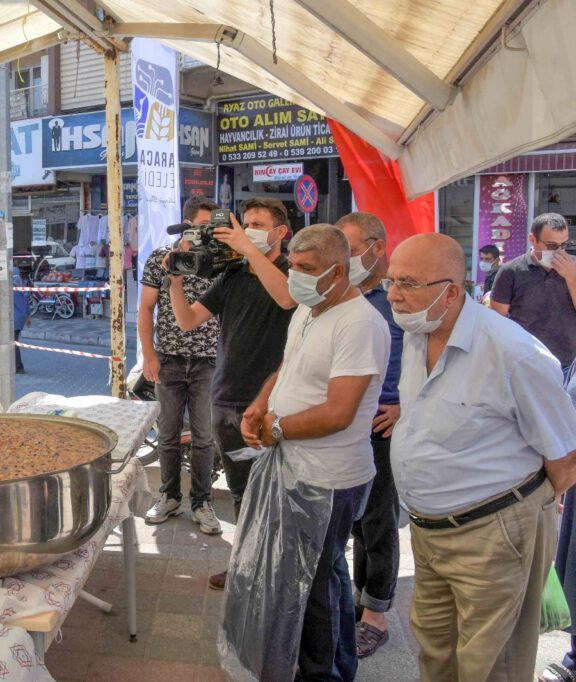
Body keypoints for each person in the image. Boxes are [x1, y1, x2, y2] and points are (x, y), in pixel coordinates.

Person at [388, 233, 576, 682]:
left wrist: (516, 515)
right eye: (391, 280)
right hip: (428, 533)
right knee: (436, 656)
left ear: (451, 292)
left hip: (493, 535)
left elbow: (565, 461)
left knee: (491, 668)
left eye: (408, 282)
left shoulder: (514, 353)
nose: (393, 294)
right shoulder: (418, 333)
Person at [235, 224, 389, 681]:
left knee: (316, 584)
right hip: (295, 467)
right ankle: (326, 664)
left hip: (330, 478)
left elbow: (340, 412)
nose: (295, 276)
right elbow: (290, 364)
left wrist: (277, 427)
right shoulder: (309, 307)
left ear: (338, 272)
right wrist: (261, 403)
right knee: (315, 574)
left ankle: (323, 672)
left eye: (305, 268)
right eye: (292, 266)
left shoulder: (360, 324)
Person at [166, 197, 296, 590]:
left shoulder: (291, 272)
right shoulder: (234, 275)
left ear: (280, 232)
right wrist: (175, 281)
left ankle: (278, 575)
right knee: (241, 494)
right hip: (225, 401)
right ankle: (246, 567)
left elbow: (286, 298)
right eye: (246, 223)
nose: (247, 230)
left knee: (275, 496)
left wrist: (245, 249)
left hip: (269, 406)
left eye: (257, 224)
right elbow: (188, 321)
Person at [336, 212, 404, 658]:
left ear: (377, 247)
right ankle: (360, 601)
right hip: (347, 422)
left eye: (352, 249)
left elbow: (430, 354)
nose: (345, 259)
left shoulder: (399, 295)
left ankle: (376, 614)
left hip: (383, 422)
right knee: (356, 520)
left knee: (378, 521)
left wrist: (404, 404)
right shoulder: (342, 294)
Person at [139, 196, 223, 535]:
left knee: (204, 437)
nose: (208, 233)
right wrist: (149, 355)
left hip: (209, 361)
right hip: (169, 360)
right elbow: (146, 309)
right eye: (203, 226)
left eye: (212, 227)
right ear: (186, 225)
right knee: (168, 436)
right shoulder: (161, 258)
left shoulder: (219, 260)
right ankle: (170, 497)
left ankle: (202, 503)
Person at [490, 212, 576, 382]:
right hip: (526, 363)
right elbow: (496, 321)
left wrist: (571, 278)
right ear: (533, 239)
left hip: (568, 364)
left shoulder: (573, 267)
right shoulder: (511, 271)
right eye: (551, 246)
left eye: (563, 245)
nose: (559, 252)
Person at [13, 266, 31, 373]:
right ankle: (17, 366)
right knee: (14, 341)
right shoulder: (24, 284)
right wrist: (28, 315)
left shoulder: (12, 288)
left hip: (13, 317)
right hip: (21, 316)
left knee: (13, 342)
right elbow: (26, 301)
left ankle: (18, 366)